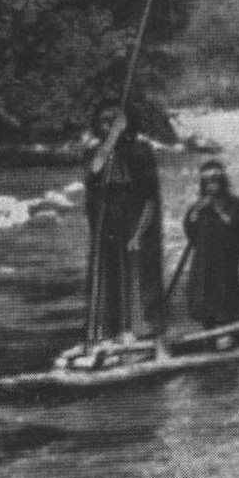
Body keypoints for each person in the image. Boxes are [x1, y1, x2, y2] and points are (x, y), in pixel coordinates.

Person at [83, 95, 164, 344]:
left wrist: (140, 231)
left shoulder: (141, 150)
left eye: (115, 120)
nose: (109, 125)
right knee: (108, 273)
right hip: (107, 220)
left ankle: (144, 330)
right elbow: (94, 173)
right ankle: (109, 331)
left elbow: (150, 196)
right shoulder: (95, 151)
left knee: (139, 271)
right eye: (104, 121)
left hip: (135, 216)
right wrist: (111, 138)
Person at [182, 159, 239, 330]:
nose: (212, 186)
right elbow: (190, 230)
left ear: (222, 182)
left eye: (215, 181)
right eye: (208, 182)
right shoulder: (199, 205)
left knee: (226, 295)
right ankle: (209, 330)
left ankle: (227, 330)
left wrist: (219, 212)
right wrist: (195, 214)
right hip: (204, 259)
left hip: (225, 258)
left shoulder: (234, 204)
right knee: (204, 293)